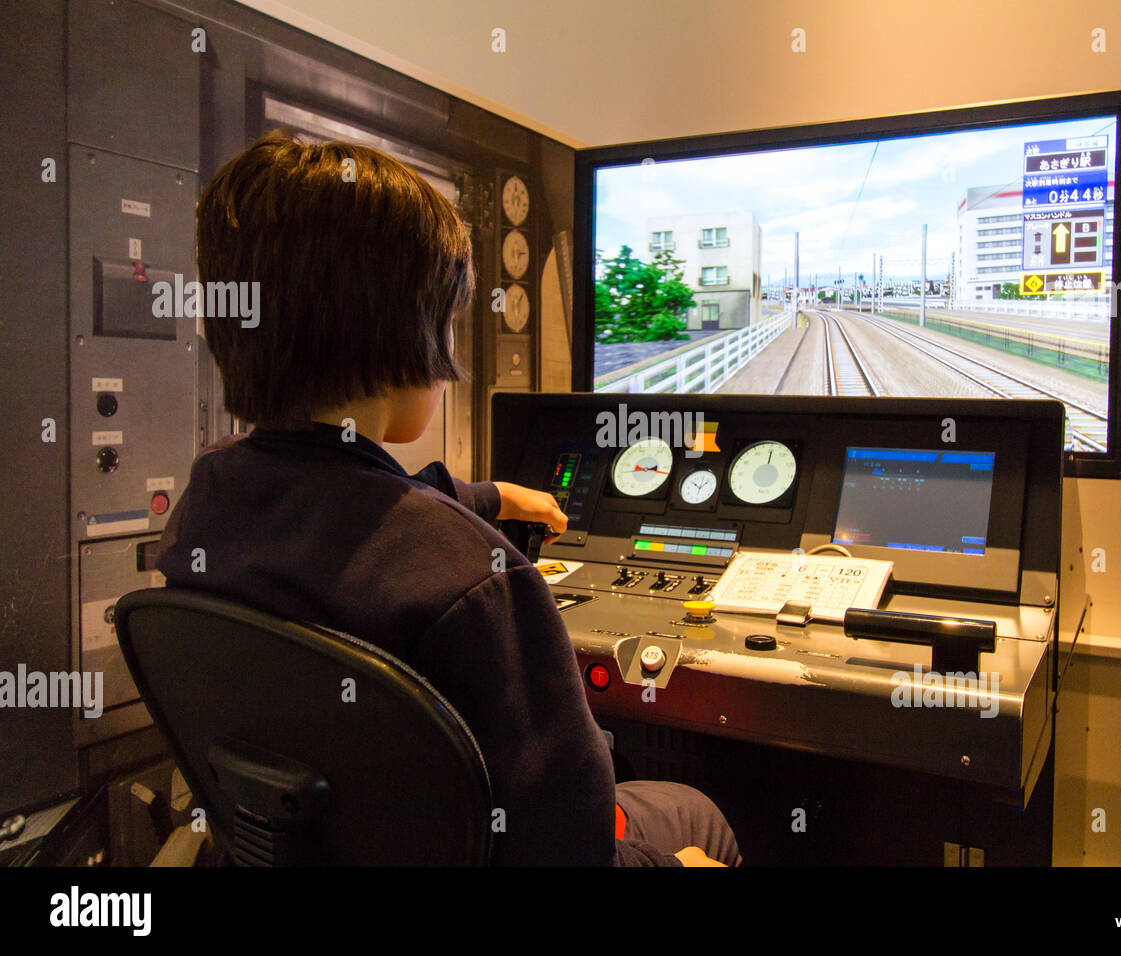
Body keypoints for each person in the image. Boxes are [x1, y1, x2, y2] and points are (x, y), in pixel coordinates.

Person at [156, 131, 740, 867]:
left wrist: (488, 496)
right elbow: (573, 842)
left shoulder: (208, 504)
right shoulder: (474, 583)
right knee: (697, 815)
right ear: (407, 339)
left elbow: (343, 512)